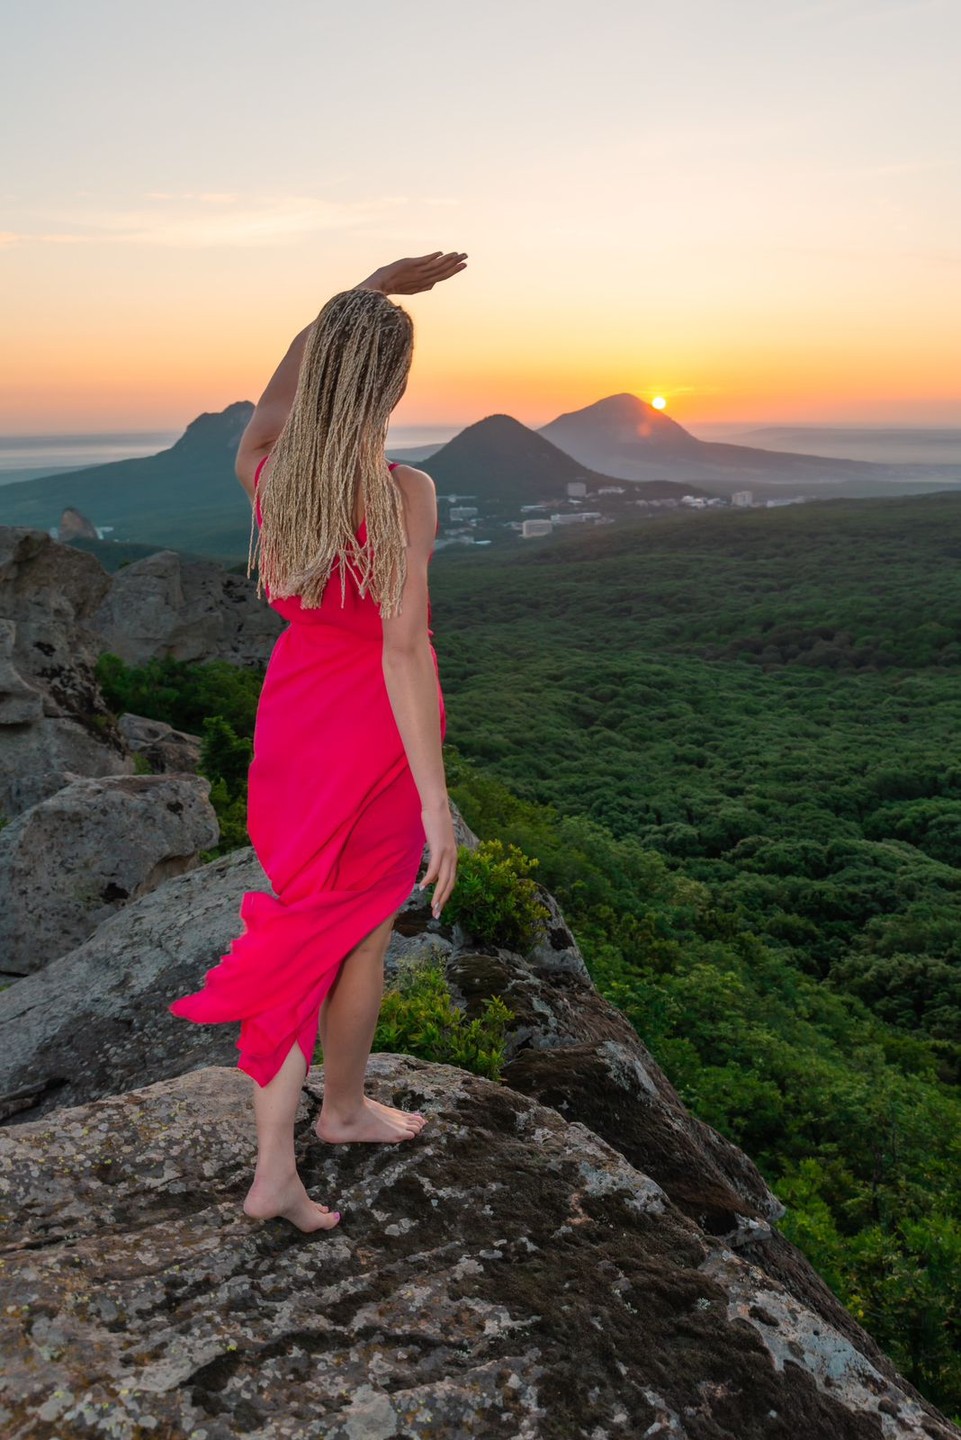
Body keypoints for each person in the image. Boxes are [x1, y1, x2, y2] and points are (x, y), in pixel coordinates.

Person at [170, 251, 468, 1232]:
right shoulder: (403, 495)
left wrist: (358, 298)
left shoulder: (270, 478)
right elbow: (401, 654)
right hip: (369, 740)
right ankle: (323, 1124)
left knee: (302, 923)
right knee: (355, 938)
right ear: (387, 385)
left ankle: (309, 1134)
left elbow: (266, 408)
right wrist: (433, 799)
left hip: (293, 727)